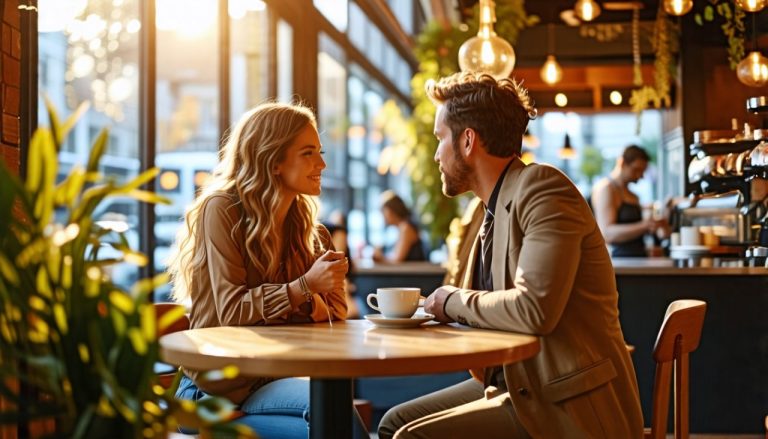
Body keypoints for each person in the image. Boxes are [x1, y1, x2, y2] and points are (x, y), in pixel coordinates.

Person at [378, 72, 643, 438]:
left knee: (411, 436)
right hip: (518, 383)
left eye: (440, 138)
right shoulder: (488, 210)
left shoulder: (543, 189)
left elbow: (533, 310)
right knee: (393, 422)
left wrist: (451, 300)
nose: (436, 153)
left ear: (468, 140)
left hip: (566, 403)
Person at [167, 102, 348, 438]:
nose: (322, 164)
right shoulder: (222, 210)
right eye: (308, 153)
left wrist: (305, 294)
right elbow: (232, 311)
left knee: (332, 415)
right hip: (215, 393)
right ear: (274, 160)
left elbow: (338, 311)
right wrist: (304, 288)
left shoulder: (310, 230)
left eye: (319, 152)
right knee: (331, 414)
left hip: (272, 382)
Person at [592, 145, 669, 257]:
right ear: (622, 163)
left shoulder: (633, 195)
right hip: (619, 262)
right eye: (636, 170)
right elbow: (607, 233)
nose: (640, 176)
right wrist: (645, 226)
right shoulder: (606, 188)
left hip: (637, 259)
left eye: (642, 171)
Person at [372, 191, 426, 263]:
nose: (383, 216)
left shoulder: (406, 228)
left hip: (414, 273)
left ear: (391, 211)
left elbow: (397, 260)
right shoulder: (403, 227)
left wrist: (380, 258)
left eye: (384, 211)